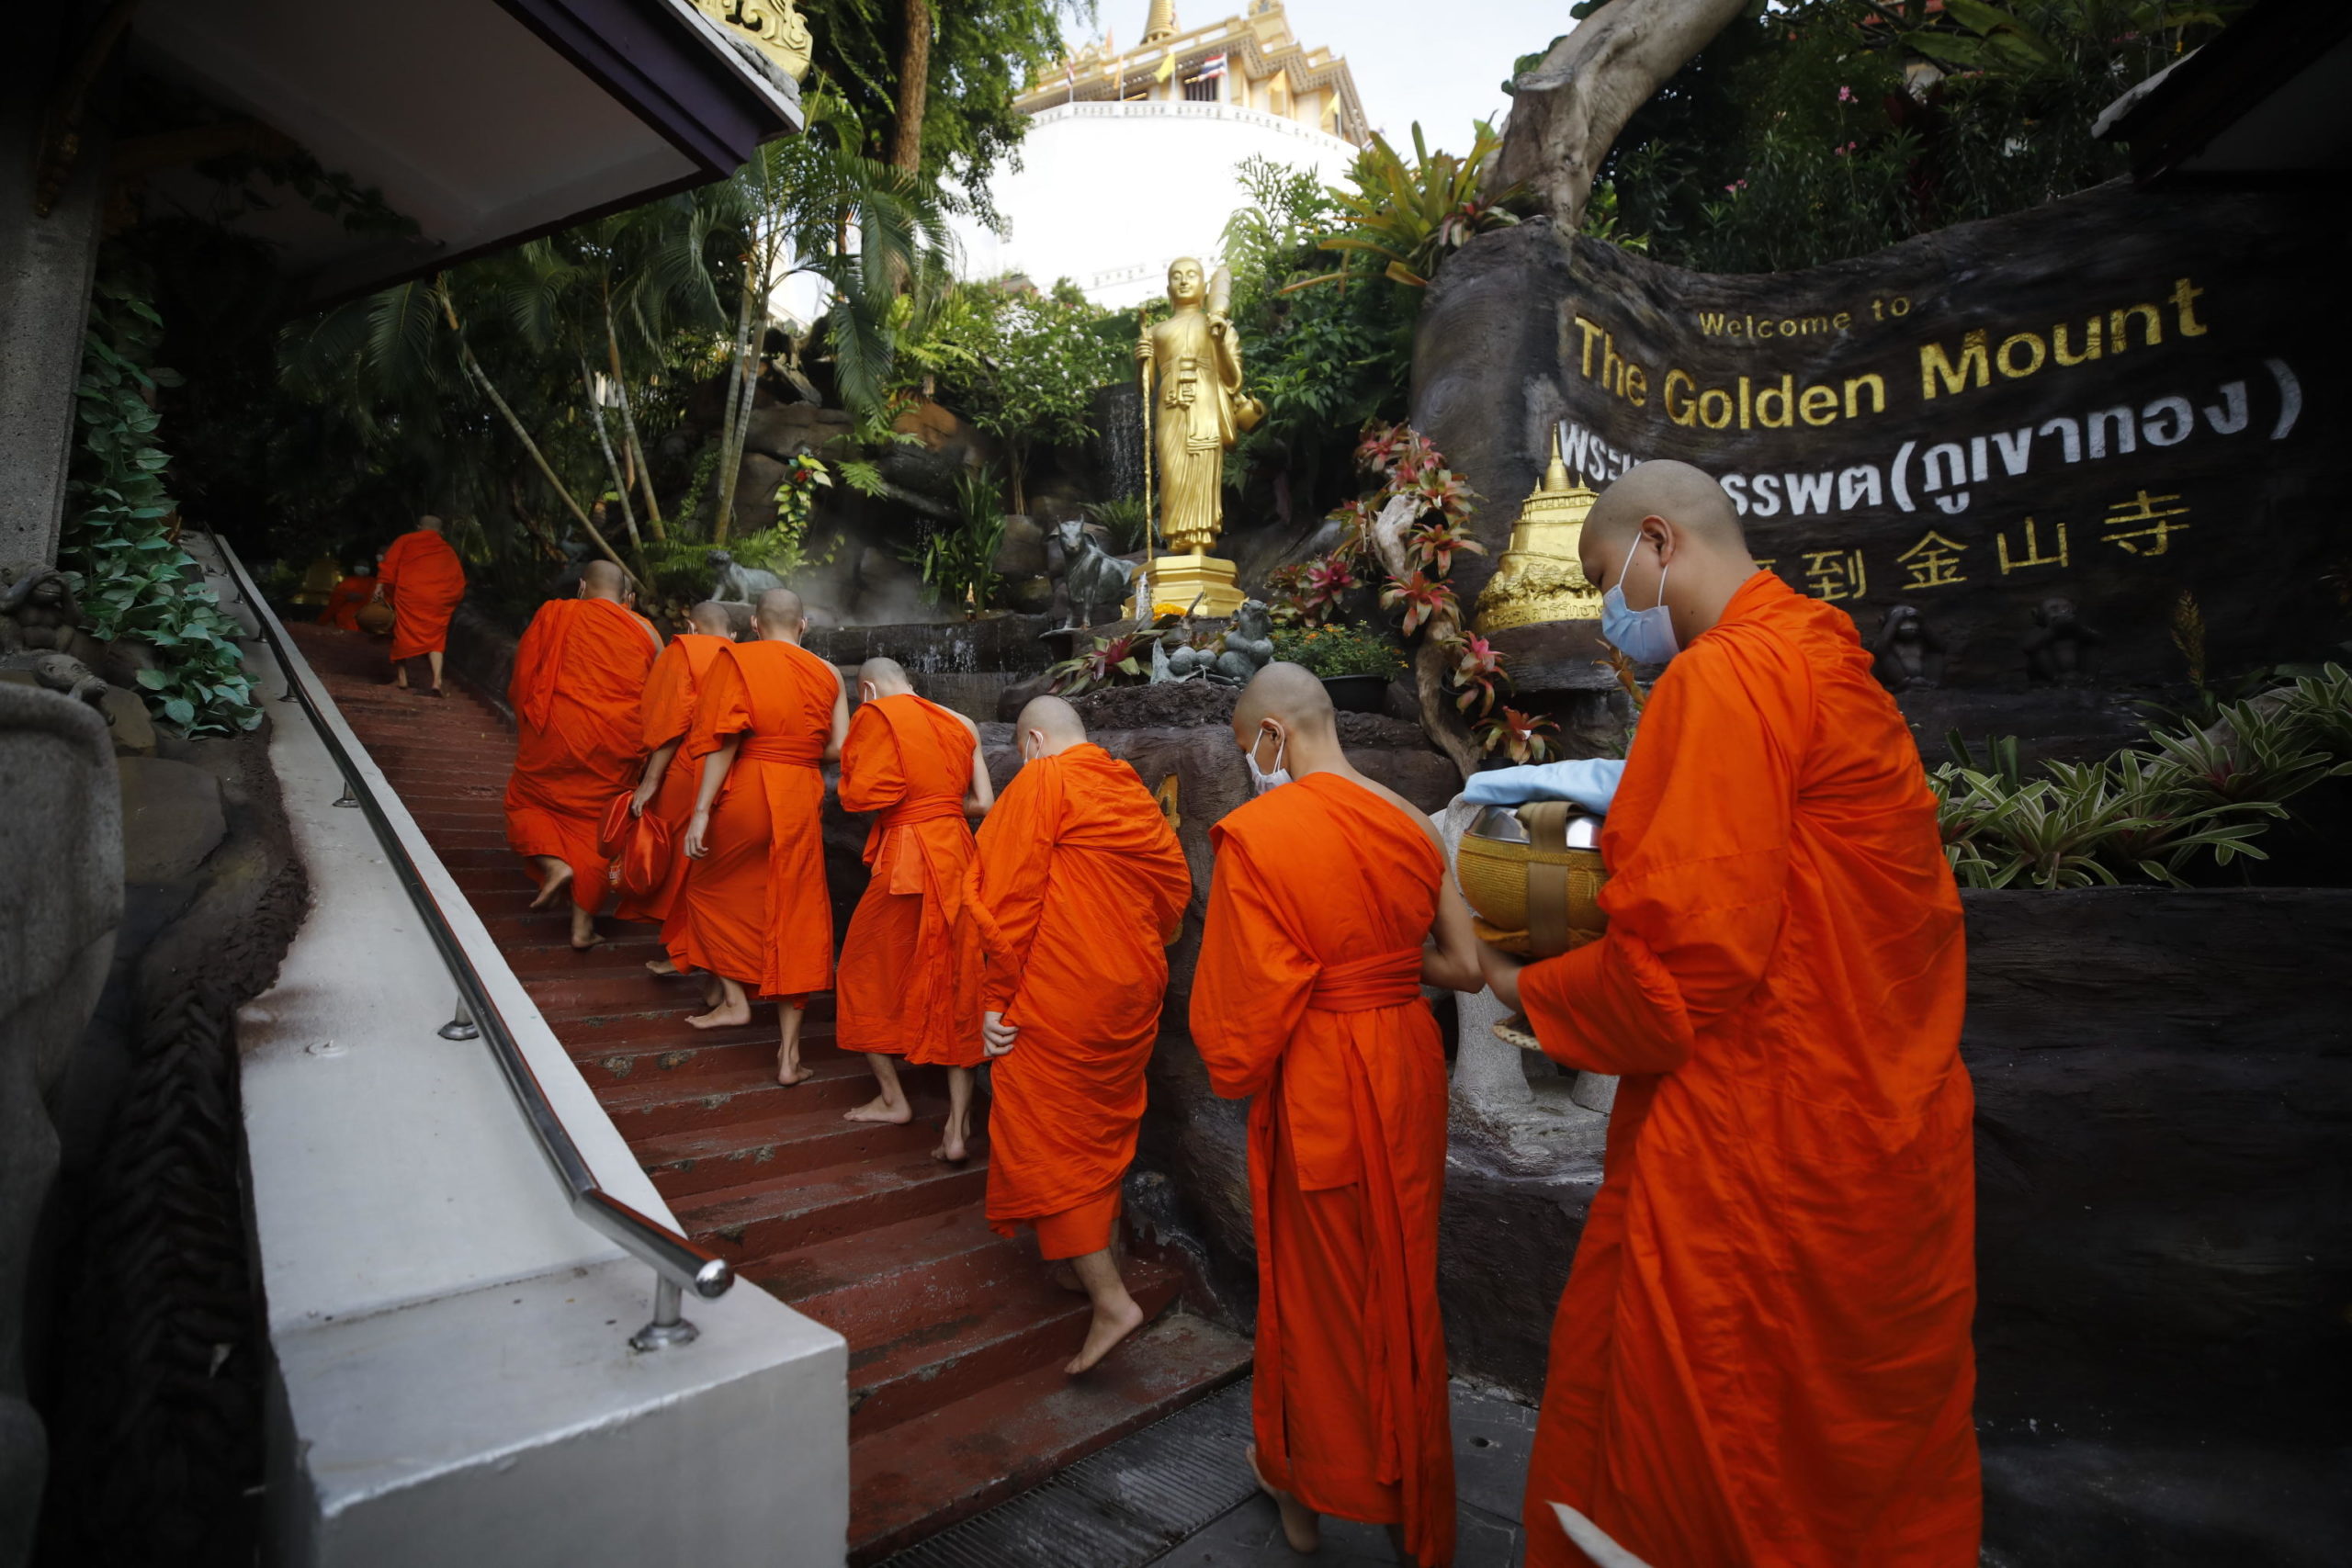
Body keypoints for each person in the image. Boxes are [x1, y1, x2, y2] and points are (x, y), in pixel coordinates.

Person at [1478, 460, 1979, 1568]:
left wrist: (1521, 985)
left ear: (1659, 541)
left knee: (1712, 1470)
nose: (1612, 618)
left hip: (1763, 1145)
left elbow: (1680, 974)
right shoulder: (1825, 663)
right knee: (1859, 1469)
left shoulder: (1729, 680)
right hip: (1884, 1127)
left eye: (1607, 577)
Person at [1191, 663, 1483, 1568]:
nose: (1253, 770)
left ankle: (1303, 1487)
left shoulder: (1261, 834)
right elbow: (1465, 967)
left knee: (1318, 1295)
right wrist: (1377, 970)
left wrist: (1325, 978)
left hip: (1323, 1070)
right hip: (1403, 1064)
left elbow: (1240, 1019)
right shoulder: (1410, 820)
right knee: (1400, 1281)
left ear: (1274, 734)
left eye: (1252, 751)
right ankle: (1406, 1498)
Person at [969, 695, 1191, 1373]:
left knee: (1048, 1131)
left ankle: (1110, 1298)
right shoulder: (1129, 790)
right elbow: (1172, 893)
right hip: (1131, 989)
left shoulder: (1043, 781)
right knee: (1096, 1126)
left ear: (1033, 742)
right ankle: (1089, 1256)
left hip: (1065, 988)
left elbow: (1003, 902)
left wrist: (992, 1000)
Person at [680, 589, 847, 1084]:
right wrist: (797, 749)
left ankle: (734, 1000)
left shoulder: (738, 660)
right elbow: (838, 747)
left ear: (754, 623)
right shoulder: (830, 673)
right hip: (800, 793)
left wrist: (701, 811)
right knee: (795, 911)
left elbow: (725, 739)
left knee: (708, 888)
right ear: (804, 624)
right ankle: (790, 1058)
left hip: (750, 786)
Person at [833, 657, 992, 1158]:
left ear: (866, 691)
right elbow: (983, 803)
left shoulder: (876, 716)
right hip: (959, 857)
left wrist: (912, 808)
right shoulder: (962, 722)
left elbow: (860, 797)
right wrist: (940, 804)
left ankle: (893, 1098)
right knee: (958, 981)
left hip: (908, 859)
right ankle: (957, 1130)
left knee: (859, 971)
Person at [503, 560, 662, 950]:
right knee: (599, 827)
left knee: (525, 803)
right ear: (629, 598)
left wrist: (529, 721)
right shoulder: (645, 631)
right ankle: (582, 929)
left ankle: (554, 864)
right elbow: (662, 697)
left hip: (555, 733)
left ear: (582, 586)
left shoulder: (556, 613)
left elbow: (524, 675)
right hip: (615, 745)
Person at [627, 601, 737, 980]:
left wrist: (650, 780)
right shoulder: (744, 658)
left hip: (688, 767)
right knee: (710, 866)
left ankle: (681, 951)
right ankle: (695, 954)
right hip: (732, 773)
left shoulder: (684, 651)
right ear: (734, 633)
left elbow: (672, 722)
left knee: (676, 860)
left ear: (692, 626)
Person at [375, 515, 467, 694]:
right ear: (441, 532)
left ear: (418, 527)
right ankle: (437, 681)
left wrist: (380, 585)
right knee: (437, 640)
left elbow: (389, 565)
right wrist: (449, 601)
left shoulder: (406, 540)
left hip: (411, 595)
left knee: (401, 633)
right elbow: (458, 581)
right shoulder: (447, 550)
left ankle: (402, 678)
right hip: (438, 600)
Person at [316, 559, 376, 631]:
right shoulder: (347, 581)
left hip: (366, 621)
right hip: (346, 622)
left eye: (365, 566)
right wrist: (346, 596)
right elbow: (335, 601)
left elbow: (377, 598)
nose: (362, 567)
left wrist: (364, 597)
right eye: (360, 565)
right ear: (354, 567)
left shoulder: (373, 582)